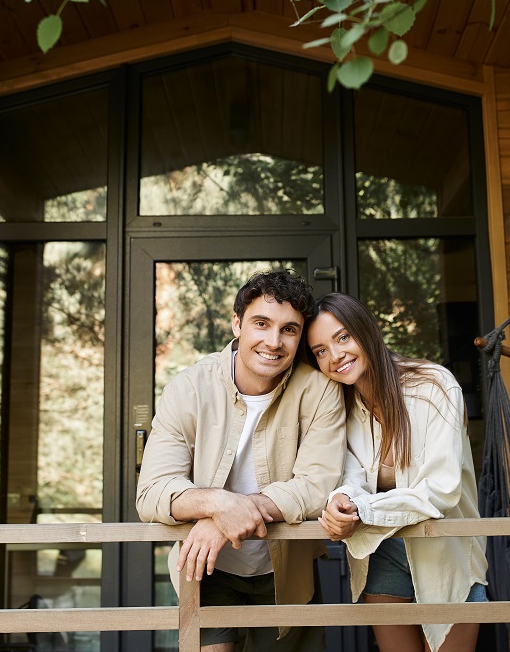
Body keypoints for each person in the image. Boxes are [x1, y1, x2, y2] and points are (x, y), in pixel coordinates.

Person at [135, 269, 346, 652]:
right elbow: (152, 492)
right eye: (261, 324)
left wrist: (233, 516)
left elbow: (318, 485)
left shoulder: (319, 391)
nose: (273, 341)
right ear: (237, 323)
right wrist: (219, 504)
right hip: (207, 568)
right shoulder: (188, 388)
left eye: (289, 330)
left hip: (285, 570)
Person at [307, 292, 488, 652]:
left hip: (445, 549)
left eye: (342, 337)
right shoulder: (339, 404)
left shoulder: (435, 387)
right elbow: (351, 476)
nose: (335, 355)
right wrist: (341, 501)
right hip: (383, 549)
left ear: (368, 330)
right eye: (320, 350)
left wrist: (365, 510)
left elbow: (441, 489)